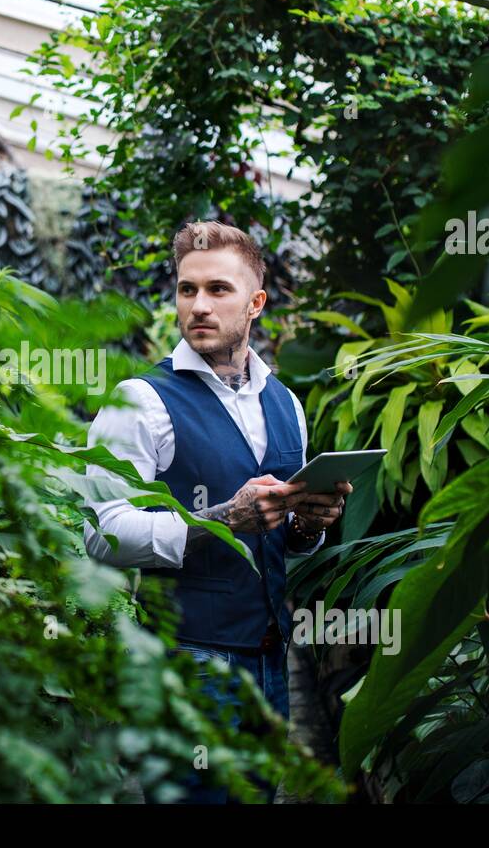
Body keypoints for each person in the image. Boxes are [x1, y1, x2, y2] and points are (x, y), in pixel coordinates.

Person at [83, 221, 351, 803]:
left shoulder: (288, 406)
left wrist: (309, 524)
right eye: (187, 290)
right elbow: (100, 534)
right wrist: (222, 520)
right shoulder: (140, 400)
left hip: (269, 660)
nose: (198, 306)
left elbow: (287, 540)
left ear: (255, 303)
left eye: (218, 290)